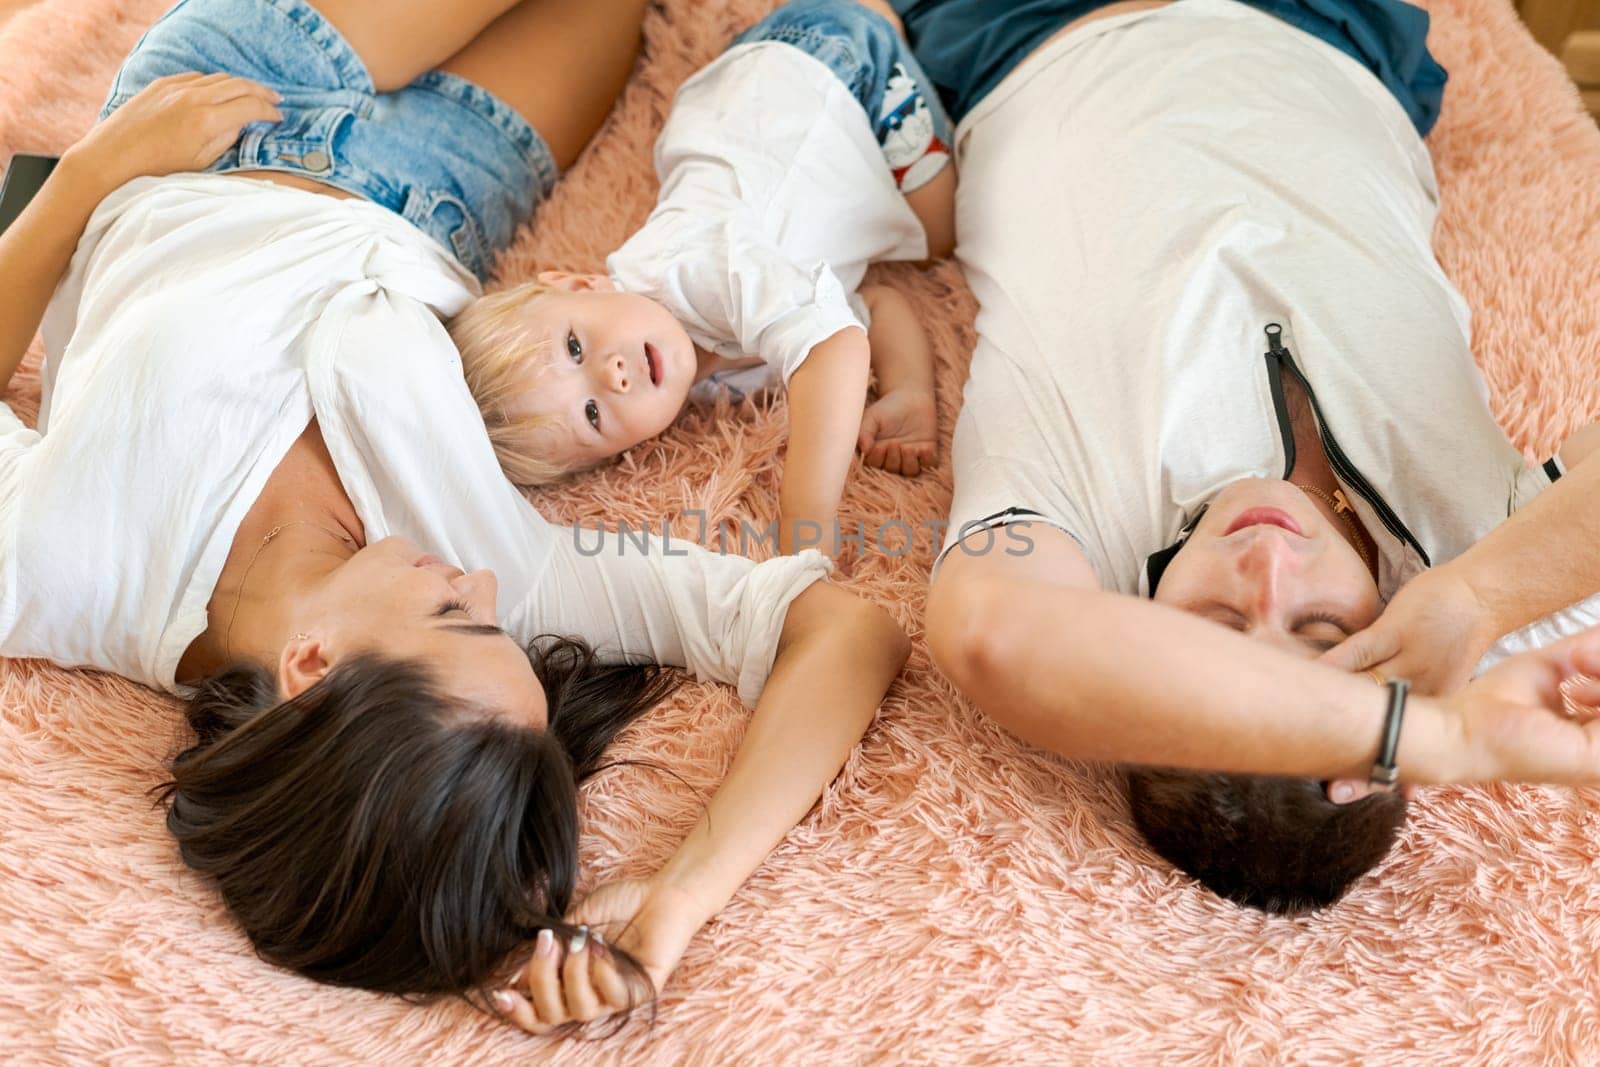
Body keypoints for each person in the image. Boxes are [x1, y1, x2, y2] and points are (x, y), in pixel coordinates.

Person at [0, 0, 910, 1035]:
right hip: (447, 188)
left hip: (227, 109)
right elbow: (846, 629)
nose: (479, 586)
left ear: (311, 666)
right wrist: (682, 892)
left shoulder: (64, 569)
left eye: (455, 619)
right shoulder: (505, 578)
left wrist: (92, 171)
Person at [897, 0, 1600, 912]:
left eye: (1216, 629)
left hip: (1037, 28)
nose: (1267, 569)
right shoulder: (1470, 582)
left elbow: (993, 636)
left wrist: (1415, 738)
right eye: (1326, 634)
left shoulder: (1072, 523)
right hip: (1333, 31)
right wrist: (1474, 614)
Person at [447, 0, 958, 555]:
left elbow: (832, 347)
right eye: (592, 414)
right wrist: (908, 391)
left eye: (574, 346)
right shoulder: (710, 381)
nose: (613, 375)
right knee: (907, 251)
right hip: (740, 97)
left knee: (940, 234)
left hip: (831, 67)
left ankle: (873, 12)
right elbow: (872, 310)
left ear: (578, 284)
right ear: (618, 455)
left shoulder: (691, 265)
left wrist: (805, 520)